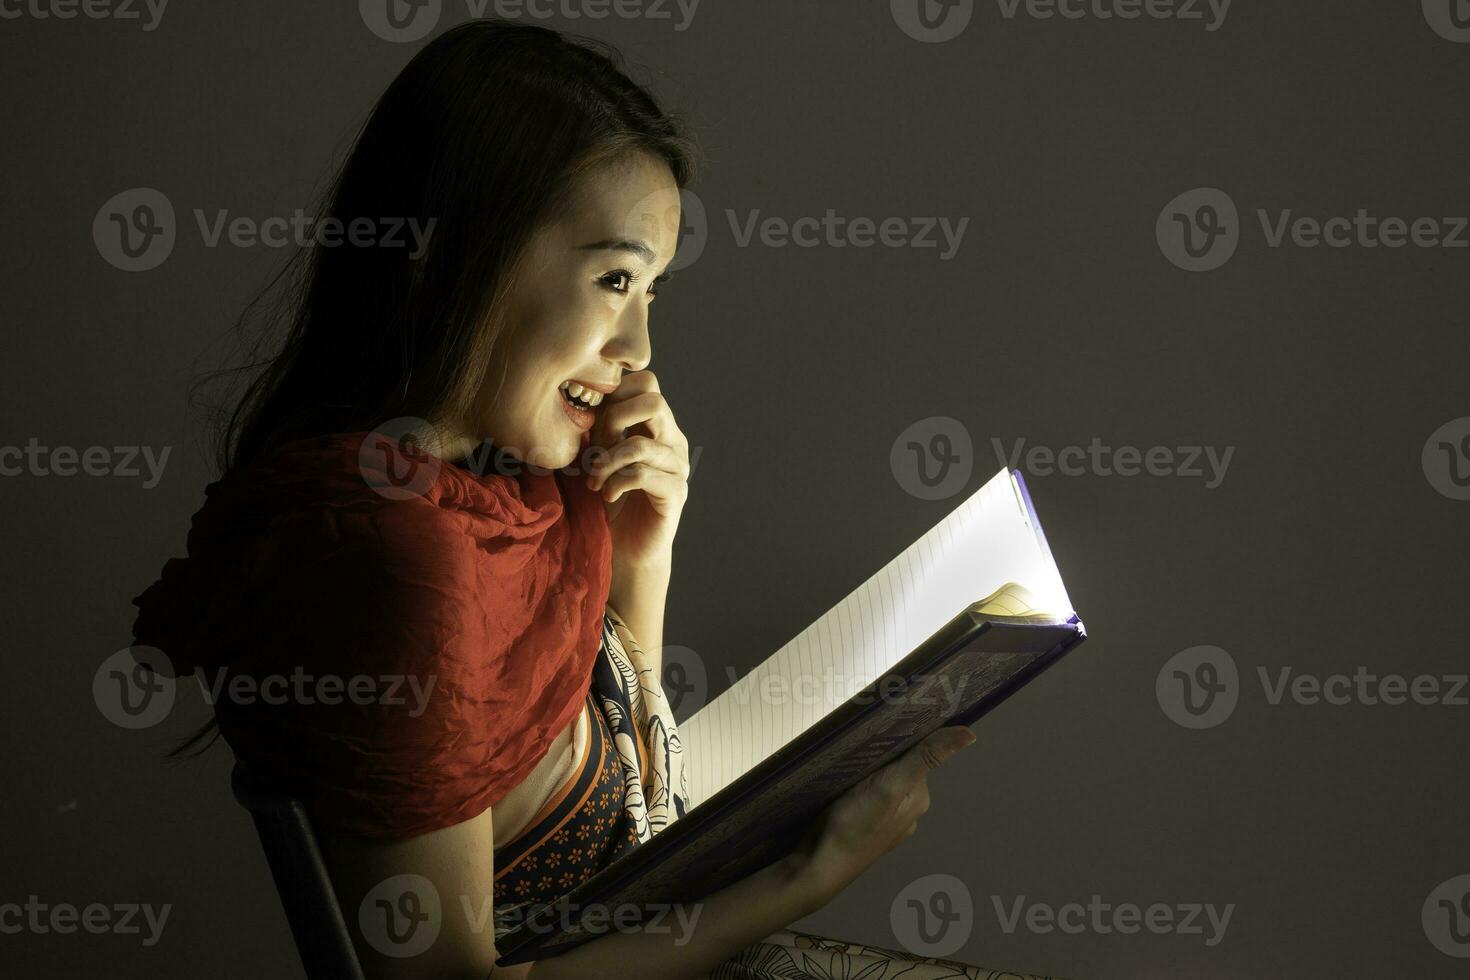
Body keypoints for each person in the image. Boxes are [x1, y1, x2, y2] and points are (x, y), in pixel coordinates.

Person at [129, 20, 1060, 980]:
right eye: (613, 278)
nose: (639, 349)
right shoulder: (400, 562)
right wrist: (810, 872)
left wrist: (639, 554)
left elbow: (634, 834)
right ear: (451, 251)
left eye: (652, 291)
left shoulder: (508, 497)